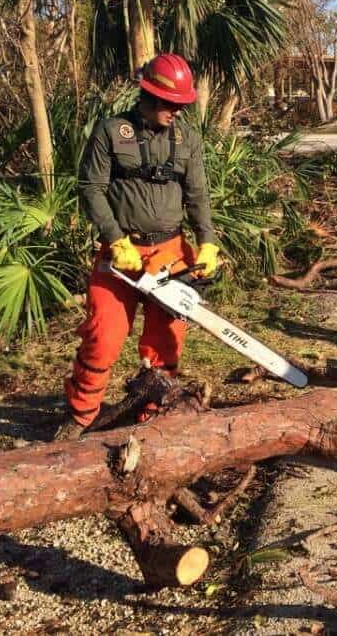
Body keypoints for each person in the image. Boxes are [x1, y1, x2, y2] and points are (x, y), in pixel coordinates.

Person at [55, 53, 221, 440]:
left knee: (165, 340)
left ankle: (153, 410)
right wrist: (114, 238)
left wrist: (207, 242)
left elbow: (198, 195)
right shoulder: (111, 132)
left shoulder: (187, 139)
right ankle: (81, 414)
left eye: (182, 105)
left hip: (172, 251)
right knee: (102, 333)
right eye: (170, 104)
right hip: (122, 255)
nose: (176, 112)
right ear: (147, 95)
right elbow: (90, 187)